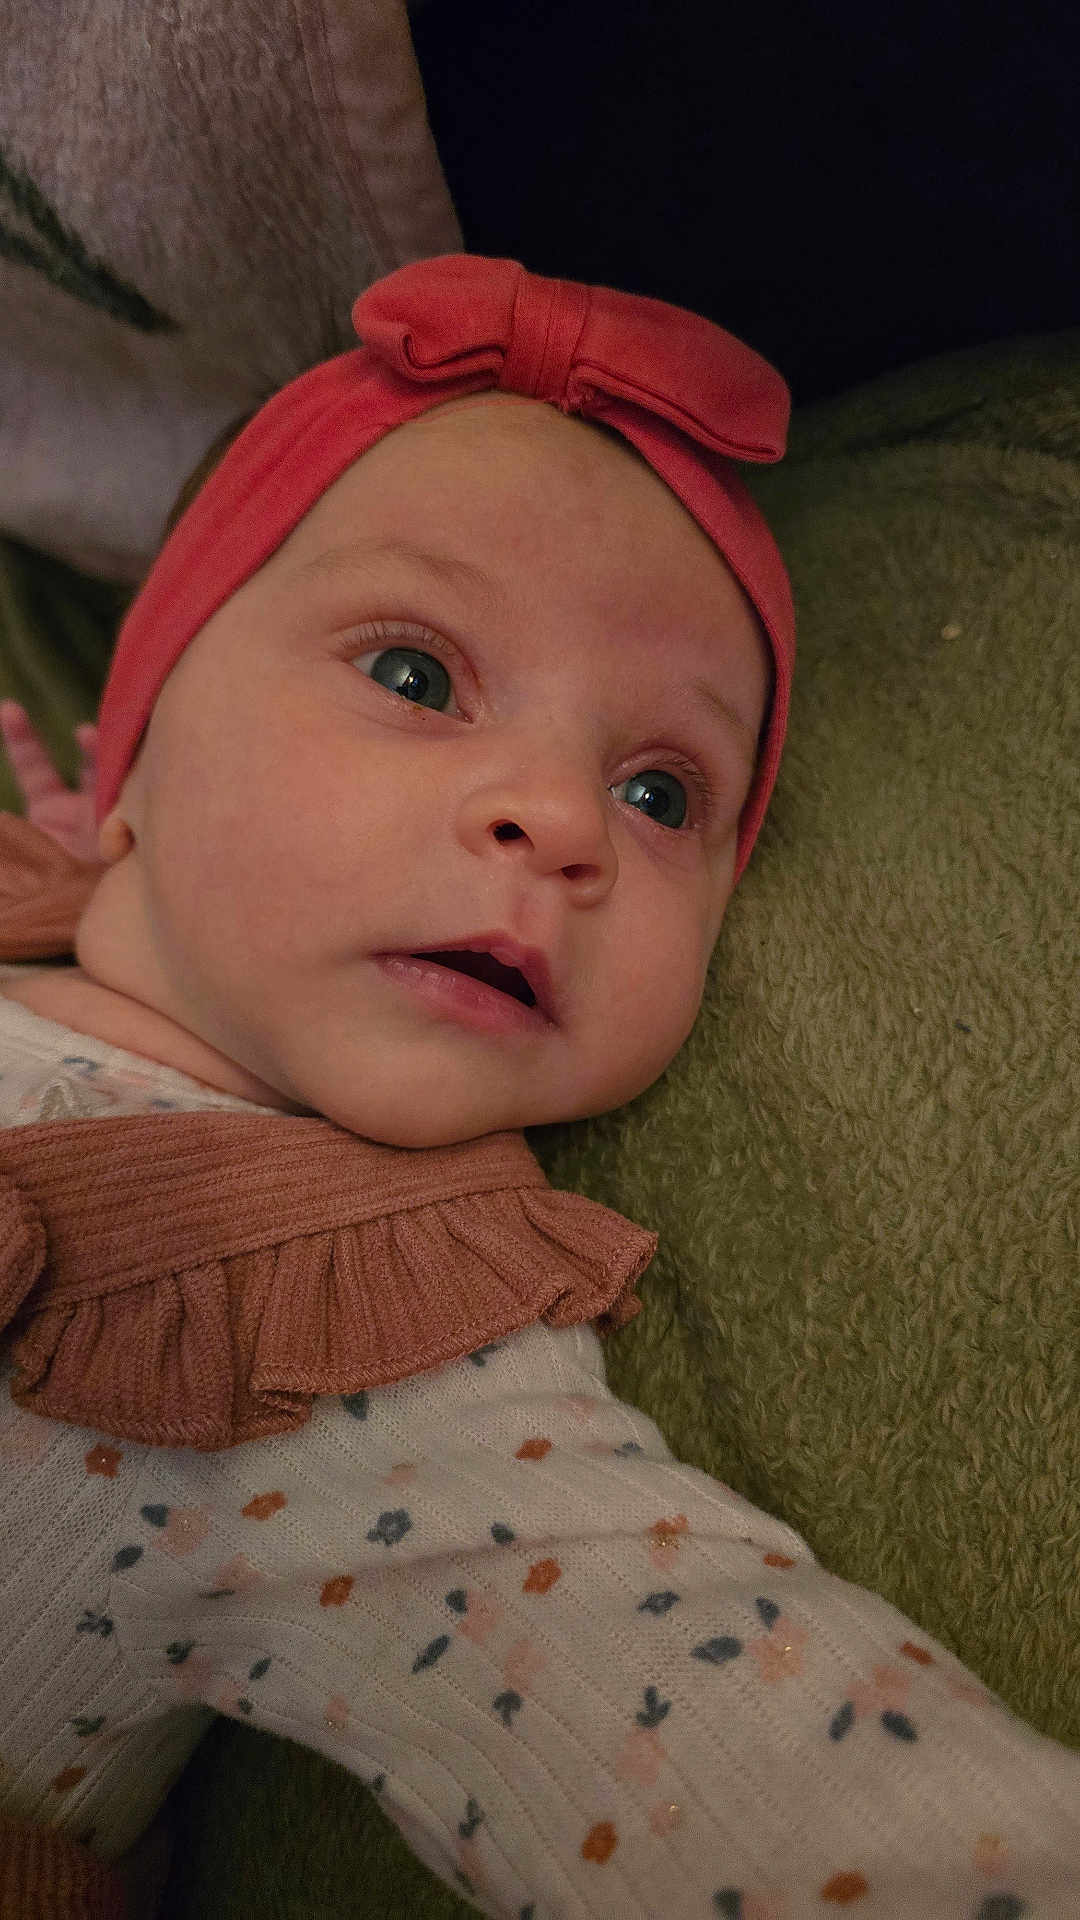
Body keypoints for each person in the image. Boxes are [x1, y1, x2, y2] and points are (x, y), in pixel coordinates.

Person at [0, 254, 1076, 1920]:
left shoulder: (372, 1382)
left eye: (661, 793)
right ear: (136, 751)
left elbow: (723, 1730)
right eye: (415, 678)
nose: (563, 820)